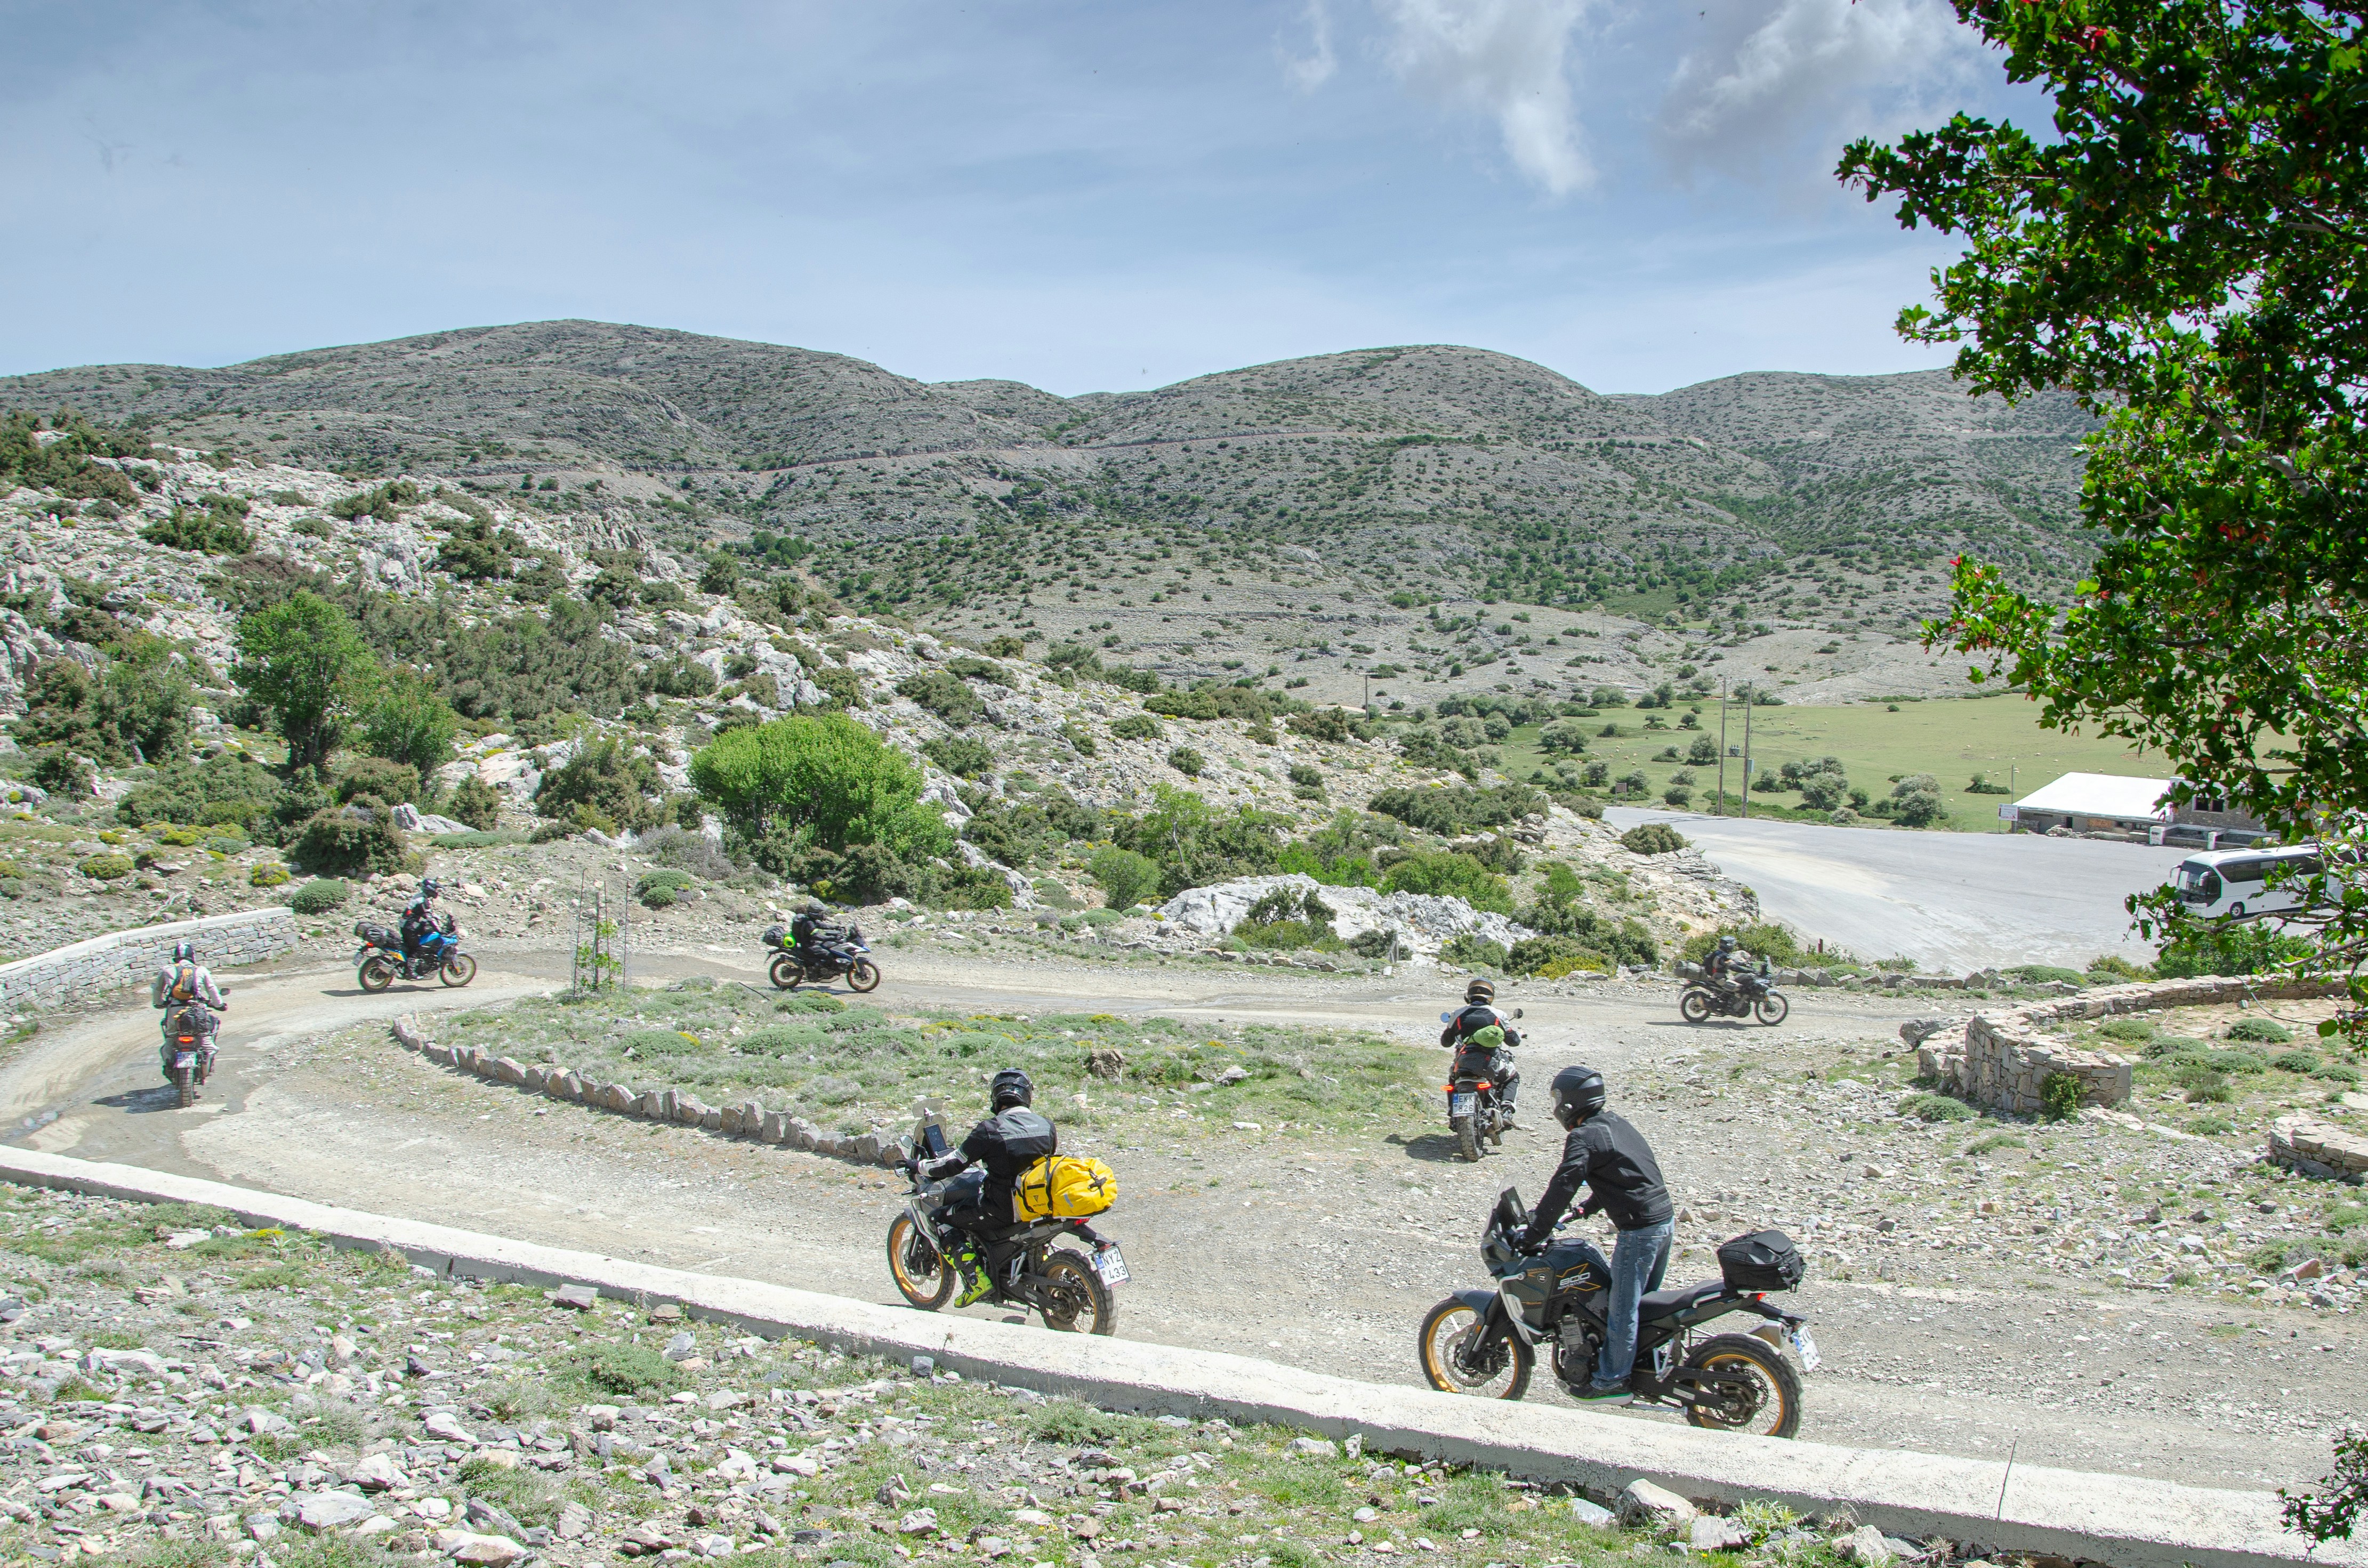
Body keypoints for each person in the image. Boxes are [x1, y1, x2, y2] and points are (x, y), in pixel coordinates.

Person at [1520, 1064, 1673, 1402]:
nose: (1556, 1105)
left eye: (1558, 1098)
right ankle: (1646, 1365)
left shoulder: (1583, 1135)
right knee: (1644, 1305)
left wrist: (1535, 1231)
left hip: (1640, 1230)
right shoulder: (1615, 1123)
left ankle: (1610, 1380)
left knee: (1623, 1309)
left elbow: (1564, 1183)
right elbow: (1624, 1173)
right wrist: (1585, 1210)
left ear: (1571, 1102)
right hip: (1662, 1220)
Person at [917, 1068, 1075, 1307]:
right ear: (1027, 1096)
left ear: (996, 1097)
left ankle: (976, 1281)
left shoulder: (990, 1129)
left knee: (940, 1219)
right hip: (1040, 1204)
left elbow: (953, 1165)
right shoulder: (1046, 1125)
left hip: (1002, 1209)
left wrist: (919, 1167)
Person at [1438, 976, 1520, 1119]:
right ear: (1491, 996)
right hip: (1489, 1063)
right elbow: (1513, 1041)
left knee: (1452, 1080)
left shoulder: (1457, 1014)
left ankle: (1452, 1110)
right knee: (1512, 1076)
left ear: (1469, 995)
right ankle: (1507, 1108)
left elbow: (1446, 1042)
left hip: (1462, 1062)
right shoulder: (1499, 1014)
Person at [150, 939, 225, 1082]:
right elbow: (212, 989)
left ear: (176, 956)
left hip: (174, 1011)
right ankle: (207, 1062)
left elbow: (158, 990)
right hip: (196, 1011)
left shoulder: (166, 970)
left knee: (171, 1039)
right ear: (192, 956)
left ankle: (170, 1064)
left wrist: (159, 1003)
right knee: (206, 1039)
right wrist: (220, 1005)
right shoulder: (201, 970)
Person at [400, 878, 441, 979]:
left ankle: (406, 966)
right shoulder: (423, 900)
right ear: (430, 889)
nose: (436, 892)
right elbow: (429, 917)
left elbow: (427, 914)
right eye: (435, 889)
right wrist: (439, 930)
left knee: (411, 945)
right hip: (409, 926)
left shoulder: (420, 897)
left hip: (406, 924)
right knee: (417, 947)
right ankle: (411, 972)